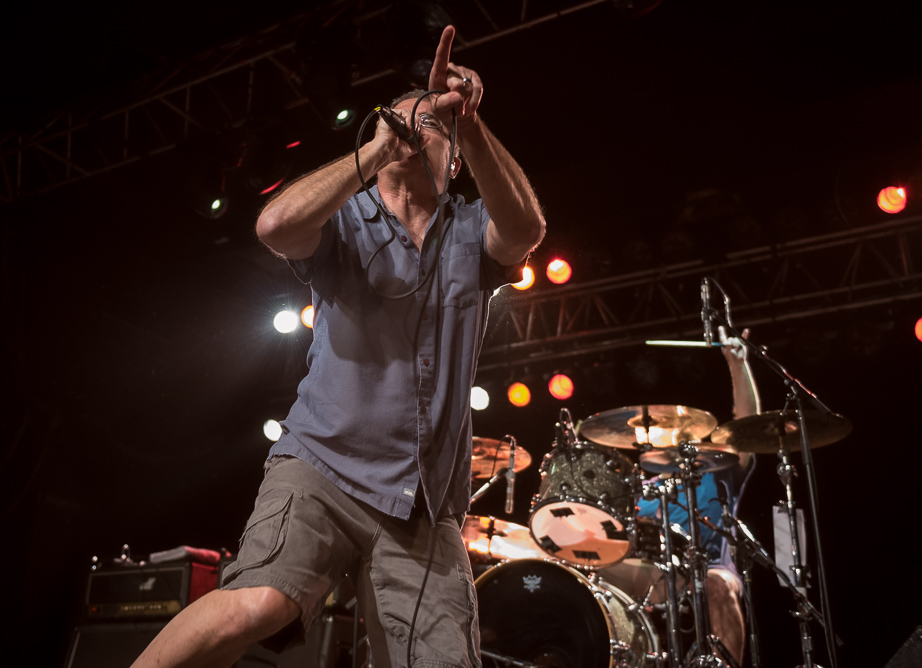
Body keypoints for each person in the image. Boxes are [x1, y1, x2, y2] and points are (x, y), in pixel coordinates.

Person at [132, 24, 545, 668]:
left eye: (429, 126)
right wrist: (376, 150)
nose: (412, 131)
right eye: (399, 121)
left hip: (424, 502)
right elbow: (272, 225)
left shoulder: (470, 231)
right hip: (323, 466)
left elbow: (527, 227)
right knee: (255, 604)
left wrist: (467, 117)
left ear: (454, 158)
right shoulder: (345, 222)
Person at [598, 334, 760, 665]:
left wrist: (737, 363)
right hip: (652, 573)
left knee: (717, 586)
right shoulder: (641, 491)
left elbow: (745, 428)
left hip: (709, 568)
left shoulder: (717, 470)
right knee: (594, 574)